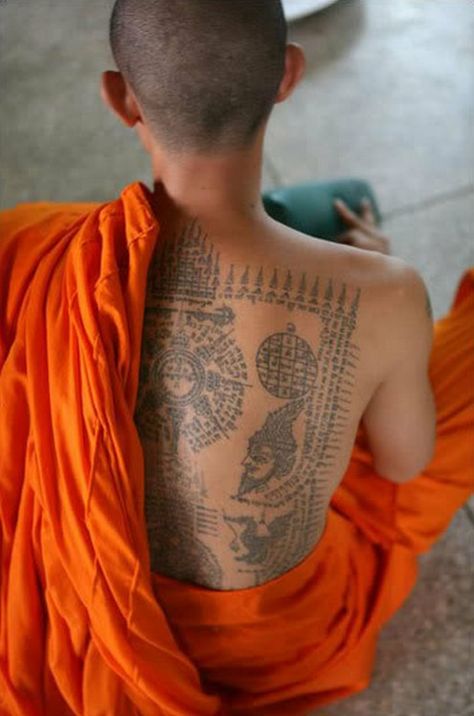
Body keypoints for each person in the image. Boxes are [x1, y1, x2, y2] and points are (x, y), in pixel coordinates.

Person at [0, 1, 472, 714]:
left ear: (118, 96)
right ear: (288, 75)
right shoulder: (386, 294)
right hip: (284, 637)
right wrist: (374, 276)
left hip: (90, 604)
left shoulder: (33, 245)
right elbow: (403, 465)